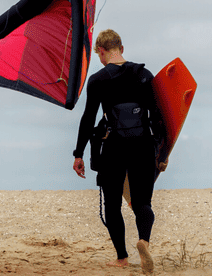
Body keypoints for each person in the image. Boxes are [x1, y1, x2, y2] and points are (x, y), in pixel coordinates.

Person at [71, 29, 162, 274]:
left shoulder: (99, 79)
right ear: (121, 48)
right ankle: (144, 240)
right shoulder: (145, 76)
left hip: (114, 147)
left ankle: (122, 257)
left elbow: (88, 118)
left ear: (101, 51)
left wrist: (78, 153)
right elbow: (158, 117)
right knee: (143, 202)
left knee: (112, 205)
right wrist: (160, 151)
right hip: (143, 145)